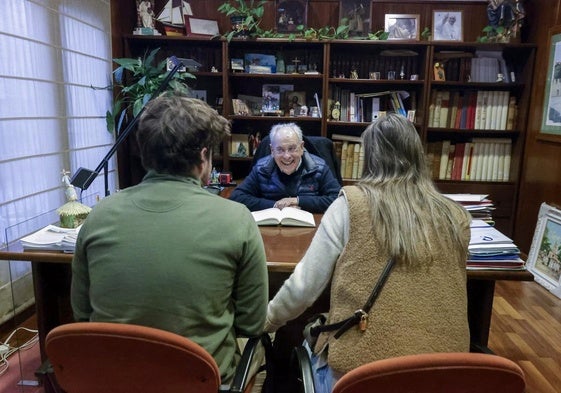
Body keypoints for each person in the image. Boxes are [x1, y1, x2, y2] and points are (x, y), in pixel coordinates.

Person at [264, 114, 471, 392]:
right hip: (446, 375)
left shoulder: (351, 204)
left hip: (360, 377)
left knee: (300, 348)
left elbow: (303, 287)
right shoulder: (456, 215)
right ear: (418, 154)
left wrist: (267, 321)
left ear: (370, 156)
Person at [71, 95, 268, 385]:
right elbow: (251, 323)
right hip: (201, 380)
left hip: (113, 380)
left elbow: (82, 313)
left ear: (145, 151)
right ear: (203, 158)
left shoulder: (99, 215)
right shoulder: (237, 218)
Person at [229, 123, 341, 213]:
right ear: (272, 151)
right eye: (280, 150)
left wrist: (297, 201)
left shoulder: (319, 167)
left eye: (292, 148)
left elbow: (337, 199)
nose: (287, 156)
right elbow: (237, 197)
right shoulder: (261, 169)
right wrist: (275, 205)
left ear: (302, 147)